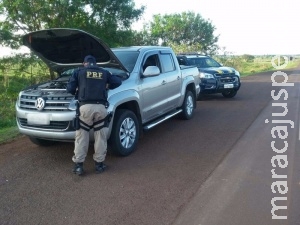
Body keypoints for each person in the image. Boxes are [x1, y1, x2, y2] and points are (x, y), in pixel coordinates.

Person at [67, 55, 122, 175]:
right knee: (100, 136)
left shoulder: (79, 72)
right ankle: (99, 165)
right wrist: (107, 85)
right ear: (96, 63)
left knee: (82, 136)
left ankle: (79, 166)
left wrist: (77, 90)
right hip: (101, 108)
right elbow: (118, 81)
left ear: (84, 63)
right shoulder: (104, 72)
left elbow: (70, 88)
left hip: (85, 108)